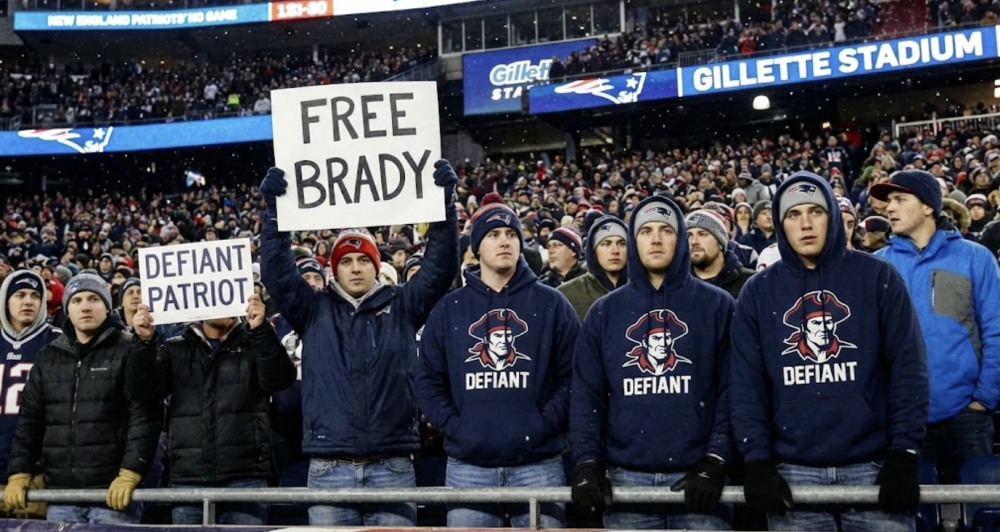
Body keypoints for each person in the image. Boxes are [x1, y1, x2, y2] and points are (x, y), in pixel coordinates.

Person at [258, 160, 459, 527]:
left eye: (363, 260)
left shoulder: (403, 304)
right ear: (333, 269)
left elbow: (440, 268)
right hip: (328, 469)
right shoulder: (312, 309)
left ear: (375, 265)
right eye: (346, 261)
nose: (354, 268)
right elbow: (278, 273)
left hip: (393, 466)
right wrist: (274, 217)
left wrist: (444, 208)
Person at [730, 171, 929, 530]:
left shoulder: (878, 277)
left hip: (874, 467)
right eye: (793, 214)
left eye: (816, 212)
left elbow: (907, 368)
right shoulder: (757, 292)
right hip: (792, 472)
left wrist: (905, 452)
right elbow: (746, 383)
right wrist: (755, 459)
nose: (805, 224)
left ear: (833, 218)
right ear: (780, 223)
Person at [570, 195, 735, 529]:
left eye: (666, 230)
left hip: (700, 480)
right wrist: (588, 463)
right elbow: (587, 396)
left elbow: (734, 390)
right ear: (635, 241)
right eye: (646, 231)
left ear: (681, 239)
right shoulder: (605, 312)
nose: (656, 239)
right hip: (627, 483)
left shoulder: (719, 306)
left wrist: (716, 459)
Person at [415, 195, 580, 528]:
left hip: (539, 464)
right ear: (477, 247)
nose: (504, 240)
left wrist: (543, 425)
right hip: (468, 466)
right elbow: (427, 380)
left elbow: (574, 378)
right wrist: (457, 427)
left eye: (511, 234)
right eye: (493, 234)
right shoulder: (449, 309)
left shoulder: (553, 304)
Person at [872, 169, 1000, 484]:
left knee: (977, 516)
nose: (890, 208)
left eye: (900, 199)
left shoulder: (976, 257)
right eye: (889, 201)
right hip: (902, 418)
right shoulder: (877, 265)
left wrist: (985, 397)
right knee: (913, 518)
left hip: (967, 414)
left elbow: (996, 329)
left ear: (929, 206)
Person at [126, 294, 295, 525]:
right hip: (188, 478)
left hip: (245, 477)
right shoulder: (175, 348)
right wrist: (144, 342)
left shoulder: (254, 342)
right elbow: (142, 390)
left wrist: (261, 330)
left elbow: (281, 380)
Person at [5, 273, 159, 524]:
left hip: (113, 496)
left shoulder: (130, 349)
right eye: (76, 300)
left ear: (108, 307)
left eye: (93, 299)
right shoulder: (49, 356)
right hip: (62, 495)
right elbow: (30, 421)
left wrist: (131, 471)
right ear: (67, 309)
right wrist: (19, 472)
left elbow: (145, 416)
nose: (85, 306)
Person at [0, 270, 62, 519]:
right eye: (20, 295)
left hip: (38, 476)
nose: (28, 301)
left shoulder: (59, 342)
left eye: (35, 295)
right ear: (5, 300)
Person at [558, 215, 628, 321]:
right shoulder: (566, 294)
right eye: (606, 244)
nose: (615, 250)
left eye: (622, 244)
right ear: (594, 251)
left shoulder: (644, 291)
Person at [686, 209, 754, 299]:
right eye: (689, 236)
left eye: (703, 234)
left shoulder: (750, 282)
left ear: (720, 243)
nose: (694, 241)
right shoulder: (675, 284)